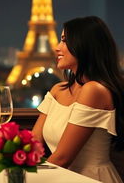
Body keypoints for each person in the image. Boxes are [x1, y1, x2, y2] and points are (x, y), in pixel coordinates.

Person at [32, 16, 124, 183]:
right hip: (59, 176)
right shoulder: (58, 90)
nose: (57, 48)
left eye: (65, 41)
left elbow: (63, 158)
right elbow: (33, 143)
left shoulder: (94, 90)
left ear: (85, 46)